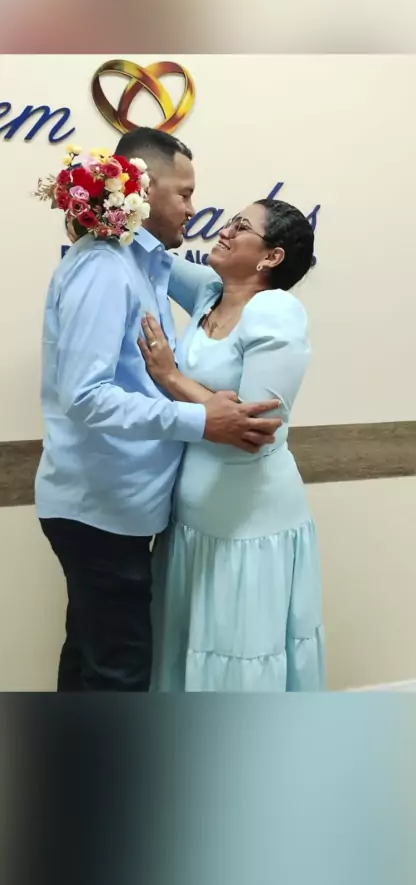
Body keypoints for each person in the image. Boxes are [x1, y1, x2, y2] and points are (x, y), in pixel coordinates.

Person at [35, 129, 282, 691]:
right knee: (117, 674)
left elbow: (223, 295)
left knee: (93, 660)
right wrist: (203, 420)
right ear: (142, 190)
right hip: (99, 508)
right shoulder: (105, 267)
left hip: (115, 507)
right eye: (185, 194)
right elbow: (85, 396)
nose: (194, 210)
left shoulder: (143, 266)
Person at [139, 198, 325, 691]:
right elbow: (150, 252)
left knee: (238, 661)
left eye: (241, 226)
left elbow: (254, 430)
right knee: (185, 648)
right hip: (191, 519)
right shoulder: (210, 292)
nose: (224, 230)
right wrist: (105, 196)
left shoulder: (276, 310)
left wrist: (172, 377)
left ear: (271, 257)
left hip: (247, 522)